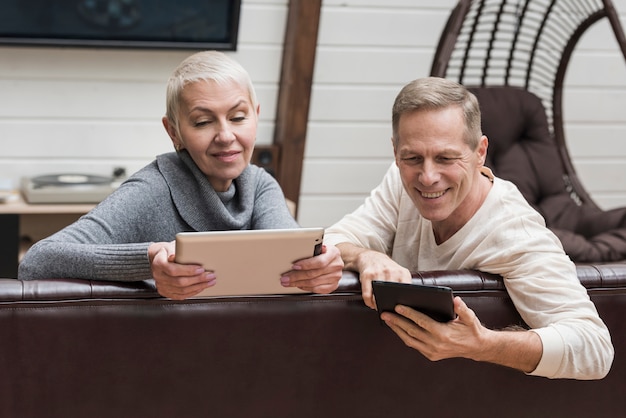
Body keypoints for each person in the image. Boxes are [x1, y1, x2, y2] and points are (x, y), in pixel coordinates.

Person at [324, 77, 613, 380]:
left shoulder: (514, 230)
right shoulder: (399, 182)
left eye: (445, 158)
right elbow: (331, 240)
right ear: (396, 152)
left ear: (480, 152)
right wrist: (366, 256)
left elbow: (595, 349)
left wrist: (483, 345)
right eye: (412, 158)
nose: (427, 177)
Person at [18, 50, 343, 299]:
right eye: (203, 122)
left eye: (238, 117)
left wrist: (317, 270)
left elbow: (288, 260)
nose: (226, 135)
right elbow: (38, 261)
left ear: (256, 117)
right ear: (174, 132)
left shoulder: (259, 185)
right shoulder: (151, 189)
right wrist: (150, 258)